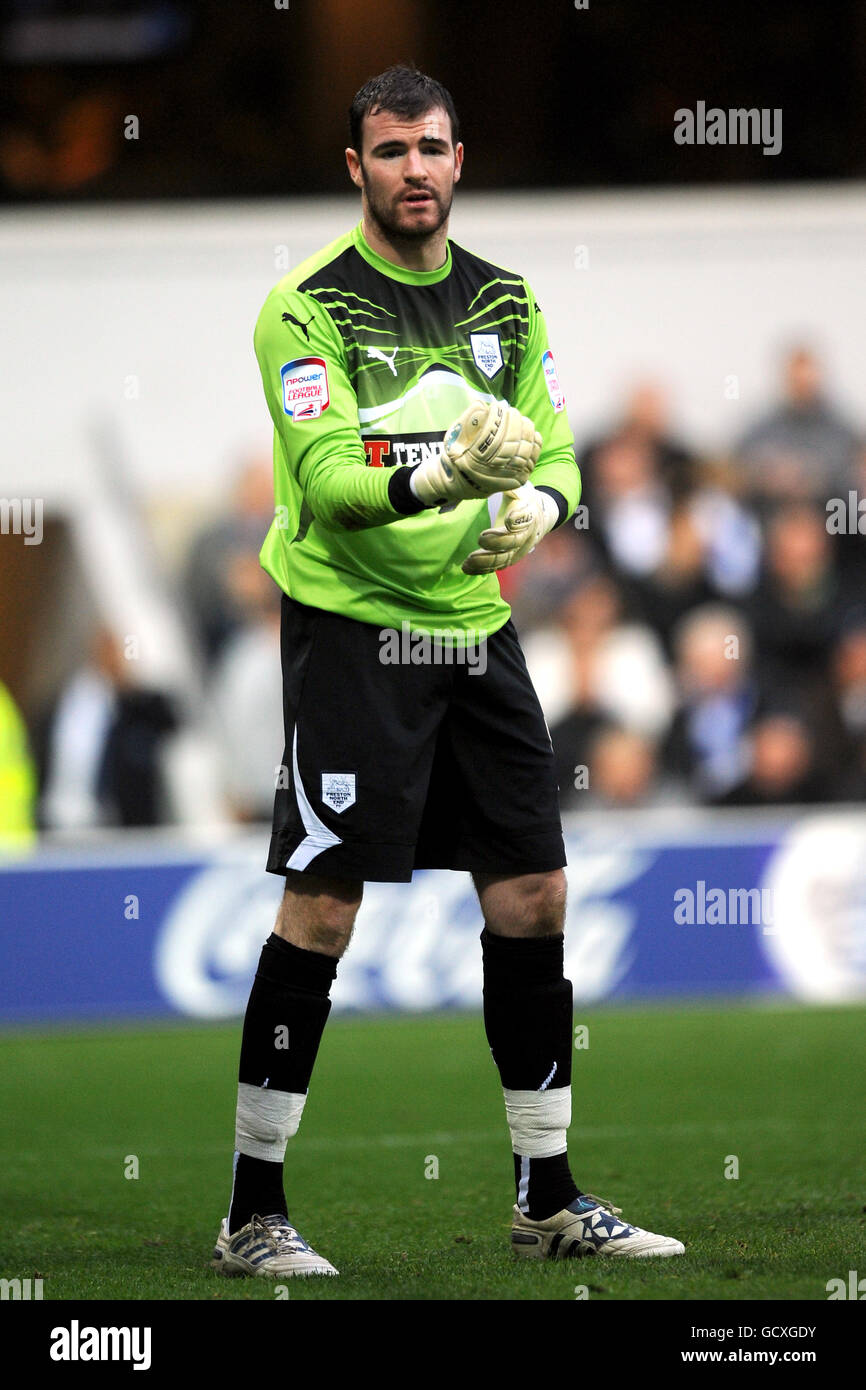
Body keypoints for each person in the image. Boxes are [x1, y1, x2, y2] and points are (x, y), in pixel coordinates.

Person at [211, 64, 684, 1279]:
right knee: (323, 907)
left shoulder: (510, 302)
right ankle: (250, 1213)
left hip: (472, 628)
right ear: (353, 167)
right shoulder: (305, 307)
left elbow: (564, 451)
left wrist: (539, 506)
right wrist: (448, 480)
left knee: (532, 896)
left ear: (459, 159)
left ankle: (547, 1198)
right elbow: (326, 484)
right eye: (388, 151)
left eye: (431, 148)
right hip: (352, 632)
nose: (412, 169)